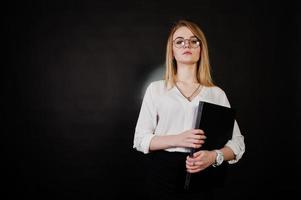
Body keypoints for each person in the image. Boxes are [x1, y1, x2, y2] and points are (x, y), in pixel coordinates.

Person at [133, 19, 245, 200]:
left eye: (194, 41)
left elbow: (238, 144)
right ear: (172, 51)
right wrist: (177, 139)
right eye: (179, 41)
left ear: (201, 49)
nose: (187, 45)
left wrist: (213, 156)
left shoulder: (216, 94)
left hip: (203, 174)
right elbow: (140, 140)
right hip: (162, 176)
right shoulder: (156, 89)